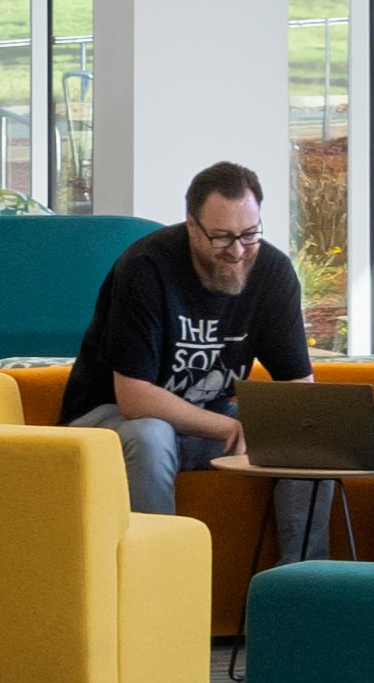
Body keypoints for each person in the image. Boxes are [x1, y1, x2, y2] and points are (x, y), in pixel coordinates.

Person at [60, 159, 318, 545]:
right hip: (106, 421)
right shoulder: (146, 267)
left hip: (204, 422)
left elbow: (298, 383)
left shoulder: (272, 272)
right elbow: (134, 398)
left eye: (249, 234)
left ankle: (301, 583)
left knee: (310, 439)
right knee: (152, 434)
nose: (237, 251)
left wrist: (290, 428)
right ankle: (158, 577)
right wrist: (234, 427)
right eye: (221, 237)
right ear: (191, 225)